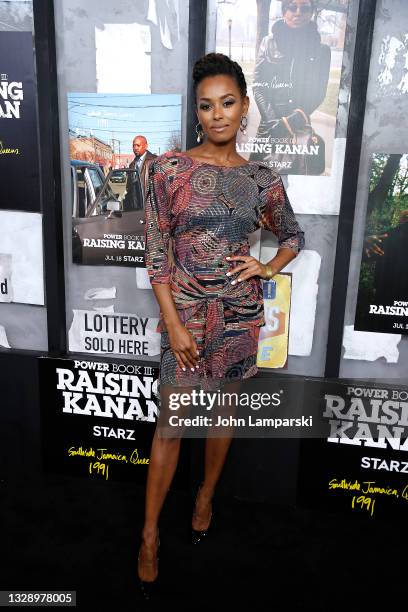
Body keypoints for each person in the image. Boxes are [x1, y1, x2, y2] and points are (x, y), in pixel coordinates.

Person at [138, 51, 305, 599]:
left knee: (223, 414)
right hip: (184, 322)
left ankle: (206, 495)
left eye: (227, 103)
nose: (217, 115)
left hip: (239, 319)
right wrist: (174, 325)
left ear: (244, 107)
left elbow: (293, 236)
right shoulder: (166, 170)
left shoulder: (261, 178)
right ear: (197, 112)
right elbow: (157, 257)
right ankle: (148, 535)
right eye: (206, 106)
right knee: (170, 426)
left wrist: (267, 266)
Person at [249, 0, 330, 174]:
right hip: (269, 127)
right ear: (285, 11)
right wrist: (274, 122)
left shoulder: (322, 50)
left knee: (298, 183)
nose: (298, 12)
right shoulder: (268, 42)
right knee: (256, 181)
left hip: (299, 127)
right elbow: (258, 86)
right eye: (292, 7)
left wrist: (292, 121)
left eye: (304, 8)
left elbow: (319, 92)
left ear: (311, 12)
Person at [123, 135, 156, 210]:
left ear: (146, 146)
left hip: (150, 208)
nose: (135, 148)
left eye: (138, 145)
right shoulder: (132, 165)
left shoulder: (154, 161)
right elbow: (129, 188)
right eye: (133, 146)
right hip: (135, 208)